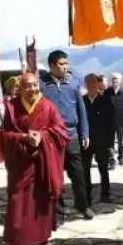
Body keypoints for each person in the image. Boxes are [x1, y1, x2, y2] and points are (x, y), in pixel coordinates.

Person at [1, 71, 69, 245]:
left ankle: (41, 237)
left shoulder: (48, 107)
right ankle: (16, 242)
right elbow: (4, 135)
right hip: (21, 163)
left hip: (42, 161)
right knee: (17, 200)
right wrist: (24, 137)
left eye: (34, 85)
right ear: (20, 89)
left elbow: (60, 131)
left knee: (42, 199)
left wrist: (42, 136)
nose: (32, 89)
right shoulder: (12, 108)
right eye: (27, 86)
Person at [41, 50, 94, 220]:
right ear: (51, 65)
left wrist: (84, 133)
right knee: (54, 175)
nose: (65, 67)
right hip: (51, 136)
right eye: (61, 64)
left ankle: (82, 205)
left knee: (78, 173)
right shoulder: (42, 86)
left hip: (71, 135)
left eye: (66, 63)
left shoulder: (73, 84)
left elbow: (81, 109)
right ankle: (59, 210)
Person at [82, 73, 115, 204]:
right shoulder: (82, 101)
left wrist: (110, 143)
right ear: (86, 85)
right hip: (86, 141)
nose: (92, 86)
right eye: (89, 83)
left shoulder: (105, 101)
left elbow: (111, 123)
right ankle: (87, 196)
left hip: (102, 141)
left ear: (98, 84)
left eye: (94, 83)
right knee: (85, 169)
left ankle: (105, 194)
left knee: (103, 168)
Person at [105, 72, 123, 167]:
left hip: (121, 122)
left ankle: (121, 157)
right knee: (110, 143)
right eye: (113, 79)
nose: (114, 80)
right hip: (109, 122)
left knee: (121, 142)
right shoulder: (107, 93)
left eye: (116, 79)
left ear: (120, 81)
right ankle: (111, 160)